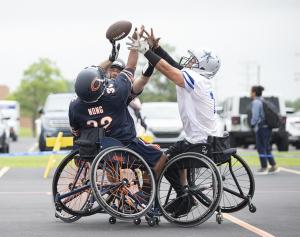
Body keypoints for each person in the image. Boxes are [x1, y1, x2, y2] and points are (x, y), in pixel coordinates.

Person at [127, 28, 221, 217]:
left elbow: (167, 69)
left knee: (161, 163)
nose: (189, 62)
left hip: (198, 140)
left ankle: (147, 197)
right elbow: (173, 65)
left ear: (202, 66)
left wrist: (145, 50)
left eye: (194, 60)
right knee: (176, 154)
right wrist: (157, 48)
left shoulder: (194, 79)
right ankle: (184, 196)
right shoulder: (200, 80)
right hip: (205, 138)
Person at [69, 28, 167, 181]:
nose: (115, 72)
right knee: (159, 156)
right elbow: (130, 68)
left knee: (110, 154)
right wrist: (136, 47)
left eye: (117, 70)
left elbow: (75, 132)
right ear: (104, 75)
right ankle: (145, 194)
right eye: (111, 69)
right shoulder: (116, 91)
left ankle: (121, 195)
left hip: (93, 149)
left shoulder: (75, 105)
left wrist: (148, 66)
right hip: (121, 145)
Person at [250, 85, 279, 174]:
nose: (250, 93)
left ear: (254, 92)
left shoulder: (256, 102)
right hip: (268, 127)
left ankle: (264, 167)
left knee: (261, 147)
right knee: (266, 147)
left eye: (251, 92)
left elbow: (255, 117)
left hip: (261, 128)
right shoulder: (264, 101)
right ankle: (273, 166)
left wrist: (252, 124)